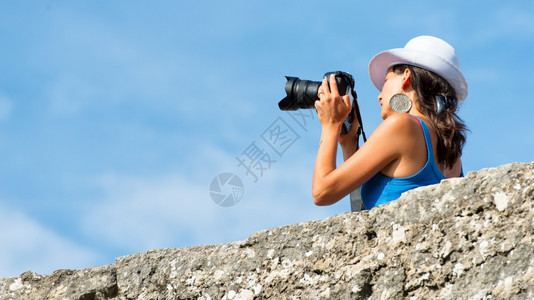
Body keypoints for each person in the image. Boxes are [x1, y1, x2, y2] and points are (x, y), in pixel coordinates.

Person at [312, 35, 468, 210]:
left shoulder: (402, 125)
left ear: (405, 77)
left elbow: (322, 193)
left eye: (386, 81)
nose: (379, 95)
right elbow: (370, 206)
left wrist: (330, 125)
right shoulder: (453, 155)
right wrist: (349, 144)